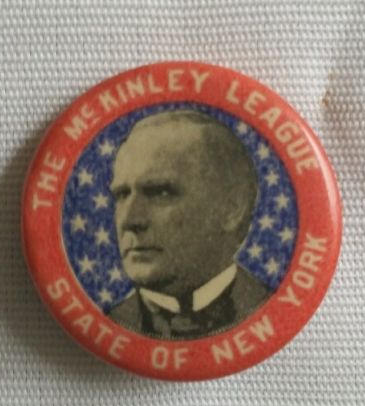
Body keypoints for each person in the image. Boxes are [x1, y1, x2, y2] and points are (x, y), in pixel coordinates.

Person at [108, 109, 270, 339]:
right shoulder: (108, 323)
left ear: (231, 209)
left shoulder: (268, 307)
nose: (130, 220)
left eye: (161, 193)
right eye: (121, 195)